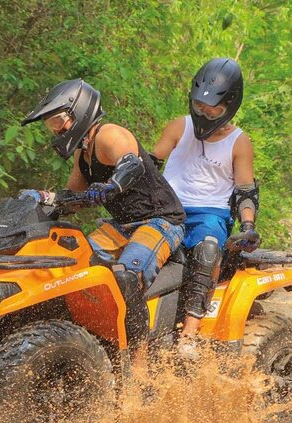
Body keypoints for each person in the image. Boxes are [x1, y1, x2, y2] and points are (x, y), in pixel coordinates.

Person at [20, 79, 186, 359]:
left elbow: (130, 163)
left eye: (59, 121)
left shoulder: (109, 135)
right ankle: (81, 341)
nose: (56, 129)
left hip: (159, 221)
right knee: (73, 264)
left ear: (79, 111)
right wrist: (43, 199)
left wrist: (112, 186)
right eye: (51, 124)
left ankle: (140, 361)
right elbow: (72, 196)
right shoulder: (82, 155)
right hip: (121, 227)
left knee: (126, 276)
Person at [152, 58, 260, 357]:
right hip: (166, 209)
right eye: (199, 106)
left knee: (208, 248)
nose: (205, 112)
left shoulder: (239, 142)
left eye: (212, 108)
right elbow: (151, 163)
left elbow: (245, 191)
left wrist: (248, 226)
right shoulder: (178, 127)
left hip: (210, 215)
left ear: (230, 104)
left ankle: (189, 332)